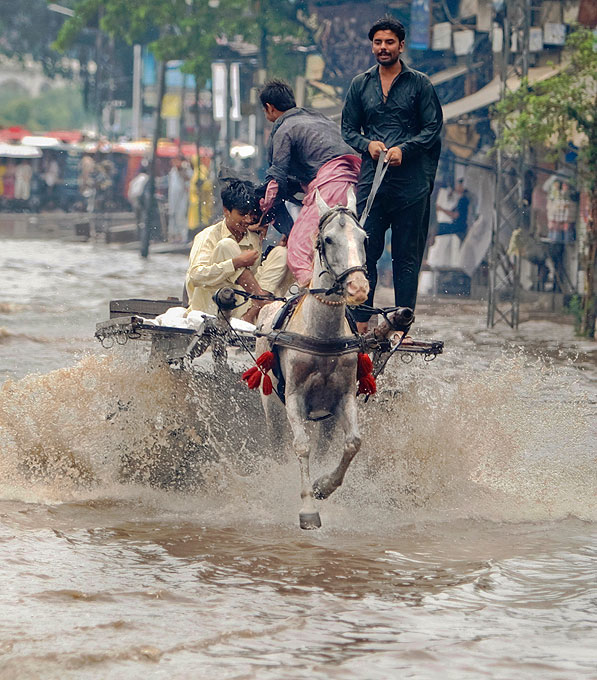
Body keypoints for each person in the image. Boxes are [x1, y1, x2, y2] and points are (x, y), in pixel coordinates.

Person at [341, 16, 443, 333]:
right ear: (372, 46)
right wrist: (367, 144)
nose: (383, 48)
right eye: (377, 42)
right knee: (365, 251)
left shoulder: (420, 84)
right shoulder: (360, 84)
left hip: (410, 187)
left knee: (406, 257)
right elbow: (347, 129)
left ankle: (402, 325)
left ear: (401, 45)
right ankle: (361, 322)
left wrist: (405, 149)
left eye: (389, 42)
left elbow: (432, 129)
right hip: (373, 183)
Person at [259, 79, 361, 286]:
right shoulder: (318, 118)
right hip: (354, 183)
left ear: (269, 108)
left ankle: (311, 293)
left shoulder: (285, 128)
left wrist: (263, 211)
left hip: (330, 184)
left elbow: (277, 178)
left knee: (298, 248)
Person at [186, 179, 291, 324]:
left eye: (250, 214)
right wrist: (235, 263)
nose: (247, 220)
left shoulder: (253, 239)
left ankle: (253, 311)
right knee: (227, 245)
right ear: (226, 211)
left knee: (281, 253)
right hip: (211, 308)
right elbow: (195, 276)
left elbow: (259, 278)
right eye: (242, 214)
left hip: (243, 310)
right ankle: (260, 300)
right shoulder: (208, 236)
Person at [168, 156, 190, 243]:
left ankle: (183, 236)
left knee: (181, 216)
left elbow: (188, 179)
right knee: (172, 215)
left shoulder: (185, 169)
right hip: (173, 198)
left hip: (182, 197)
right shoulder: (173, 171)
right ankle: (173, 236)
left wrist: (182, 170)